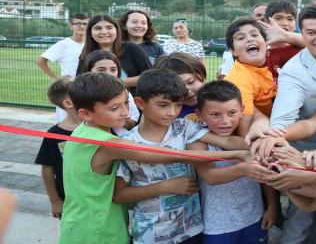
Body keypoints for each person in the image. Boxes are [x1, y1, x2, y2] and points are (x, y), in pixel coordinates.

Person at [58, 73, 250, 244]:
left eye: (126, 103)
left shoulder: (84, 131)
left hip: (186, 228)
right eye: (115, 108)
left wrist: (262, 140)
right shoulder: (116, 143)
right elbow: (169, 156)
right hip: (100, 229)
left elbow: (224, 141)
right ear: (85, 113)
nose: (125, 112)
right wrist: (237, 156)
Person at [248, 4, 316, 244]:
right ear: (303, 33)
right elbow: (282, 120)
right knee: (301, 219)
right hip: (309, 153)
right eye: (311, 33)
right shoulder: (294, 72)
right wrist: (272, 137)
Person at [113, 69, 211, 244]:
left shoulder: (183, 127)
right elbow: (119, 195)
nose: (172, 112)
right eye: (163, 105)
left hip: (191, 230)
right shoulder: (127, 143)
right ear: (140, 103)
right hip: (150, 235)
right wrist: (166, 186)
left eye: (178, 104)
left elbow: (223, 142)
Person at [191, 81, 278, 244]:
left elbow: (266, 174)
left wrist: (272, 206)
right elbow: (210, 176)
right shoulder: (197, 139)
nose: (225, 121)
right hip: (217, 225)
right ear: (200, 114)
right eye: (215, 115)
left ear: (242, 111)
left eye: (232, 113)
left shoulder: (249, 133)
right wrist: (245, 168)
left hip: (254, 216)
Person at [35, 78, 81, 220]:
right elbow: (47, 169)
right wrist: (54, 200)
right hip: (70, 200)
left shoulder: (100, 126)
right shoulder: (54, 134)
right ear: (69, 103)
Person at [76, 14, 152, 93]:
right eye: (98, 28)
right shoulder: (87, 53)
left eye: (109, 28)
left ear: (117, 30)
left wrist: (115, 82)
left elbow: (149, 76)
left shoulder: (131, 48)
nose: (104, 32)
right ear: (90, 33)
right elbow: (80, 82)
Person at [36, 13, 89, 121]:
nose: (82, 26)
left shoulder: (91, 44)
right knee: (66, 120)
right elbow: (41, 60)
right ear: (71, 26)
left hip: (88, 87)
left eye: (85, 23)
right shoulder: (63, 44)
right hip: (69, 88)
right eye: (78, 23)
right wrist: (55, 78)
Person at [80, 50, 140, 130]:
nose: (108, 74)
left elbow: (133, 118)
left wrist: (122, 121)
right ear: (88, 70)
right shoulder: (81, 94)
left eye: (113, 69)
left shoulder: (123, 91)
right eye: (101, 70)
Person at [153, 52, 207, 124]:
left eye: (191, 82)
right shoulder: (162, 112)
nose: (187, 91)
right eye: (176, 86)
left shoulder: (220, 102)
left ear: (203, 76)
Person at [263, 0, 303, 84]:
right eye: (278, 18)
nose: (284, 23)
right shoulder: (260, 49)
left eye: (290, 19)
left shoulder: (301, 47)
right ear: (266, 22)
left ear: (295, 24)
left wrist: (284, 35)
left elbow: (312, 42)